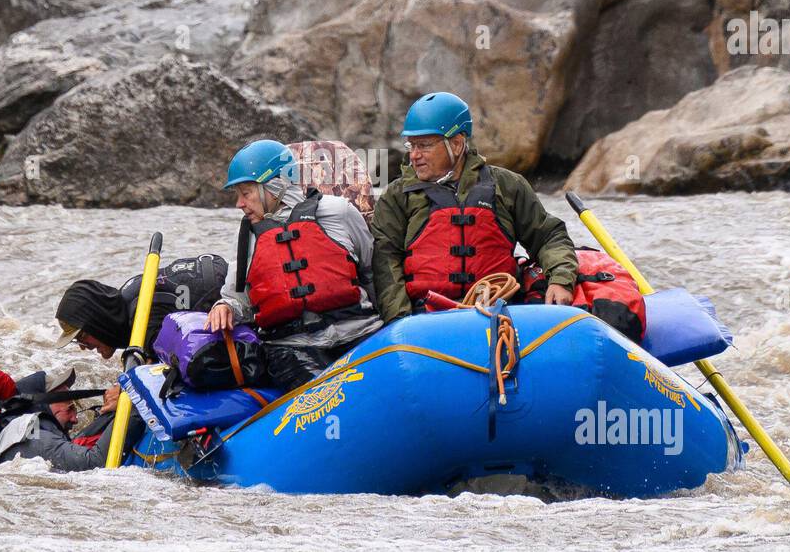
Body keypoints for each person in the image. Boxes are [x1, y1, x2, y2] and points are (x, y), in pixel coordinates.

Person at [371, 92, 579, 322]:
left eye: (424, 145)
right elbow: (385, 263)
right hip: (426, 319)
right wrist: (400, 322)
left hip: (498, 312)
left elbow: (549, 237)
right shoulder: (397, 196)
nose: (414, 155)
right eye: (411, 145)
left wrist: (561, 280)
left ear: (457, 143)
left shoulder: (507, 186)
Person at [206, 139, 381, 391]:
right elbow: (238, 297)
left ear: (275, 187)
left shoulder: (339, 212)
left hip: (359, 332)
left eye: (246, 193)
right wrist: (225, 306)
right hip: (292, 348)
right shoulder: (248, 236)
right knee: (332, 395)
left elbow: (369, 267)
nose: (239, 204)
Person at [54, 254, 227, 359]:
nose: (83, 346)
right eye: (77, 341)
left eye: (82, 336)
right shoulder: (126, 299)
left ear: (97, 321)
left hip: (228, 294)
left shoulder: (144, 322)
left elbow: (167, 370)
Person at [0, 367, 125, 471]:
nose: (75, 419)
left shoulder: (15, 430)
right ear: (40, 406)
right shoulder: (37, 438)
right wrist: (131, 403)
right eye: (69, 407)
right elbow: (95, 463)